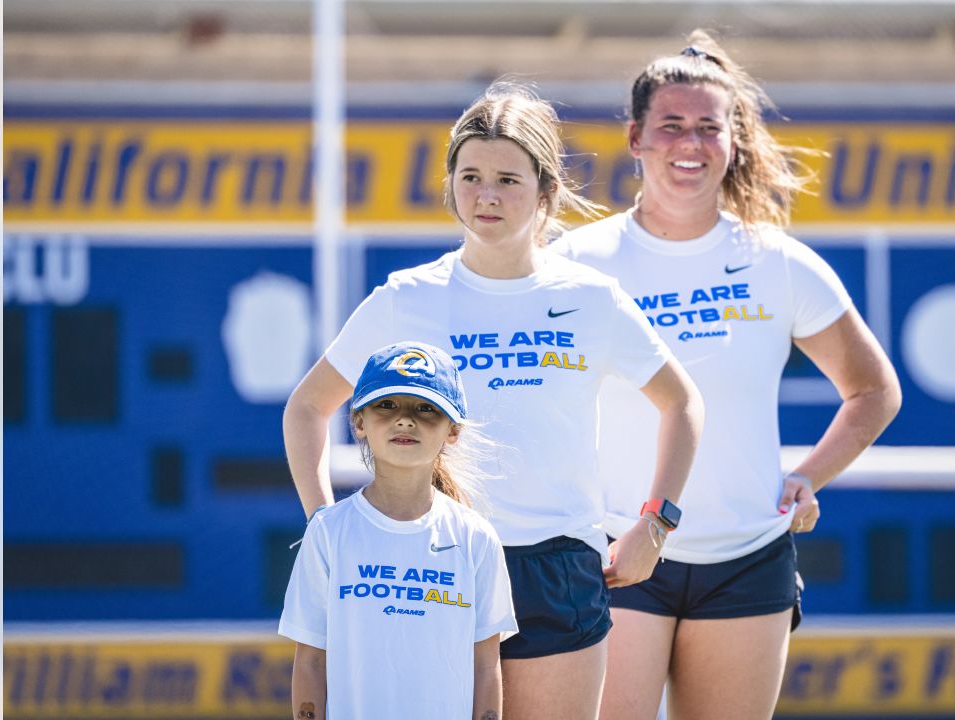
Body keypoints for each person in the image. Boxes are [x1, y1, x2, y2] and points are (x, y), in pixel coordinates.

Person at [282, 83, 704, 720]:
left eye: (508, 179)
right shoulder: (406, 298)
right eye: (471, 175)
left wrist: (656, 524)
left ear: (545, 190)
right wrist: (326, 529)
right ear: (450, 183)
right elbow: (308, 408)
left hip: (558, 565)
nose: (486, 195)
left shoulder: (591, 298)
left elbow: (682, 404)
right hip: (430, 560)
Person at [551, 30, 903, 720]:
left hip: (748, 559)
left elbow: (873, 391)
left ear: (734, 141)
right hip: (617, 556)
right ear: (635, 138)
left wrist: (809, 475)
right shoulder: (579, 262)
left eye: (709, 127)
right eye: (671, 125)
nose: (691, 142)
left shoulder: (778, 262)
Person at [280, 341, 517, 719]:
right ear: (359, 422)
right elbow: (310, 662)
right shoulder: (328, 532)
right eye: (387, 405)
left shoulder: (476, 538)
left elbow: (486, 666)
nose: (405, 420)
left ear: (452, 430)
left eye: (425, 409)